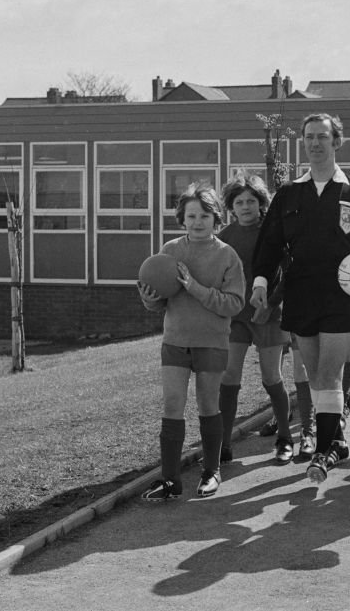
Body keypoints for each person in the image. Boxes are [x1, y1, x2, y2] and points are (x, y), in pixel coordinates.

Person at [251, 113, 350, 485]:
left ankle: (323, 454)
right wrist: (261, 282)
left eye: (322, 137)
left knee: (328, 374)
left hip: (342, 299)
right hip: (301, 294)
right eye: (309, 137)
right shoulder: (289, 193)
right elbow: (270, 244)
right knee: (315, 377)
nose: (314, 143)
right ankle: (336, 441)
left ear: (337, 142)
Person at [138, 182, 246, 501]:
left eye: (204, 216)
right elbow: (161, 300)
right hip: (175, 341)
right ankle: (170, 480)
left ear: (216, 218)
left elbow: (235, 304)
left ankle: (211, 472)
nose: (197, 222)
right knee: (172, 405)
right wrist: (149, 299)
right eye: (191, 216)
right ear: (182, 219)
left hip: (212, 342)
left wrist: (195, 288)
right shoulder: (170, 251)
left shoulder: (227, 256)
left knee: (208, 404)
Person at [217, 173, 294, 466]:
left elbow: (289, 273)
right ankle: (223, 444)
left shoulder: (273, 232)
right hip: (235, 316)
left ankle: (285, 438)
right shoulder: (223, 237)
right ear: (231, 206)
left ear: (261, 203)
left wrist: (272, 303)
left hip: (269, 314)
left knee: (270, 376)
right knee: (229, 376)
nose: (246, 206)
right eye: (239, 202)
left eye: (251, 200)